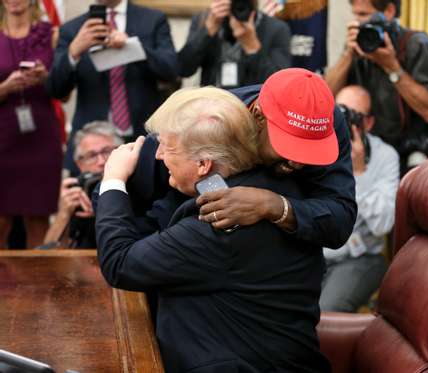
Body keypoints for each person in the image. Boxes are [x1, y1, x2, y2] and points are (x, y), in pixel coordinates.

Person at [96, 87, 331, 373]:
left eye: (168, 146)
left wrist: (113, 180)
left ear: (204, 164)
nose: (158, 155)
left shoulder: (219, 224)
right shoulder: (279, 187)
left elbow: (120, 264)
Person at [122, 67, 357, 250]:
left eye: (309, 152)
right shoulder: (204, 119)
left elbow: (340, 221)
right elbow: (127, 184)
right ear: (257, 116)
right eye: (288, 148)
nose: (297, 163)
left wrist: (274, 205)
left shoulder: (322, 121)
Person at [46, 0, 178, 174]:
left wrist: (132, 48)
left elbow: (172, 70)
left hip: (143, 136)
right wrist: (73, 51)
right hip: (92, 145)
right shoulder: (72, 29)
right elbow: (56, 89)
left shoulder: (153, 19)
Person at [324, 0, 428, 174]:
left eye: (363, 15)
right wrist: (348, 54)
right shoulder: (360, 43)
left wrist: (392, 67)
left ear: (389, 11)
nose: (357, 22)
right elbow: (326, 96)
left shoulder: (416, 44)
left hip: (411, 157)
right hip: (366, 151)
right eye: (355, 14)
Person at [320, 85, 399, 312]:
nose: (345, 121)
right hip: (315, 254)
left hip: (359, 257)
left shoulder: (385, 156)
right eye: (340, 111)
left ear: (369, 123)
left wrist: (359, 173)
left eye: (355, 115)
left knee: (327, 313)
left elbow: (383, 224)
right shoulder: (317, 146)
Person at [0, 0, 62, 248]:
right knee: (1, 221)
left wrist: (46, 78)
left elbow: (64, 92)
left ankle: (39, 285)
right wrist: (5, 88)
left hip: (41, 137)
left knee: (38, 220)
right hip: (3, 137)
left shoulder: (52, 34)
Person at [178, 0, 291, 88]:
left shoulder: (276, 28)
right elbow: (183, 69)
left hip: (252, 106)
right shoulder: (204, 20)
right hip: (213, 103)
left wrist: (252, 46)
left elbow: (279, 85)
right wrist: (207, 31)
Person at [44, 122, 122, 248]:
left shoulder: (139, 185)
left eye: (107, 151)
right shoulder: (78, 192)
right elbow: (48, 253)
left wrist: (103, 212)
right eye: (91, 156)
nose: (101, 161)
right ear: (80, 164)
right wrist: (63, 214)